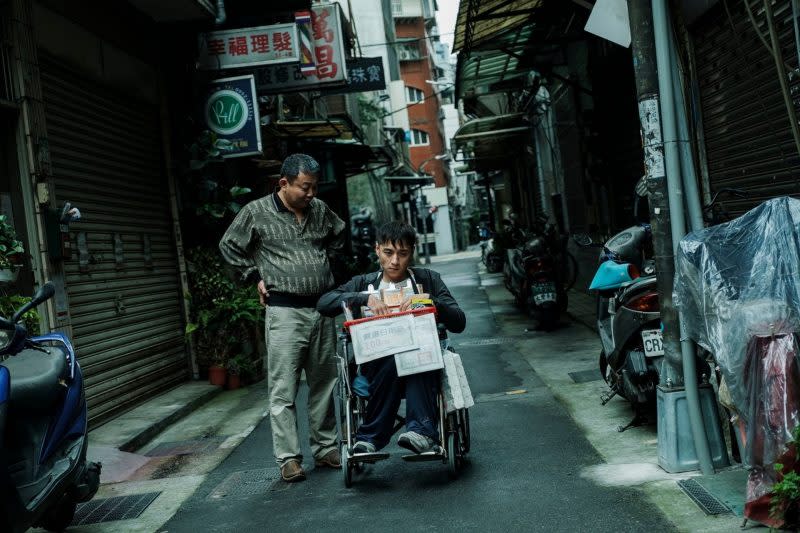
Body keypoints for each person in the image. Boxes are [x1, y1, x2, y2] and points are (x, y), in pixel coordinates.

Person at [219, 153, 345, 483]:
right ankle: (289, 458)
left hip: (322, 308)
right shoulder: (256, 212)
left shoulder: (319, 210)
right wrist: (253, 276)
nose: (311, 194)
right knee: (283, 389)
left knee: (324, 383)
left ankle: (326, 447)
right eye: (305, 187)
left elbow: (338, 234)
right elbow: (229, 245)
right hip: (285, 312)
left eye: (315, 187)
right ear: (284, 183)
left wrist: (325, 263)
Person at [317, 221, 466, 454]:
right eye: (388, 252)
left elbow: (459, 321)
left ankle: (418, 431)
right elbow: (324, 303)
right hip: (377, 367)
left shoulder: (428, 280)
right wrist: (363, 299)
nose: (395, 261)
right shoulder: (363, 284)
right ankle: (373, 437)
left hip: (423, 362)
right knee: (392, 356)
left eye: (402, 254)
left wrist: (431, 302)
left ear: (411, 253)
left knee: (418, 354)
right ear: (377, 250)